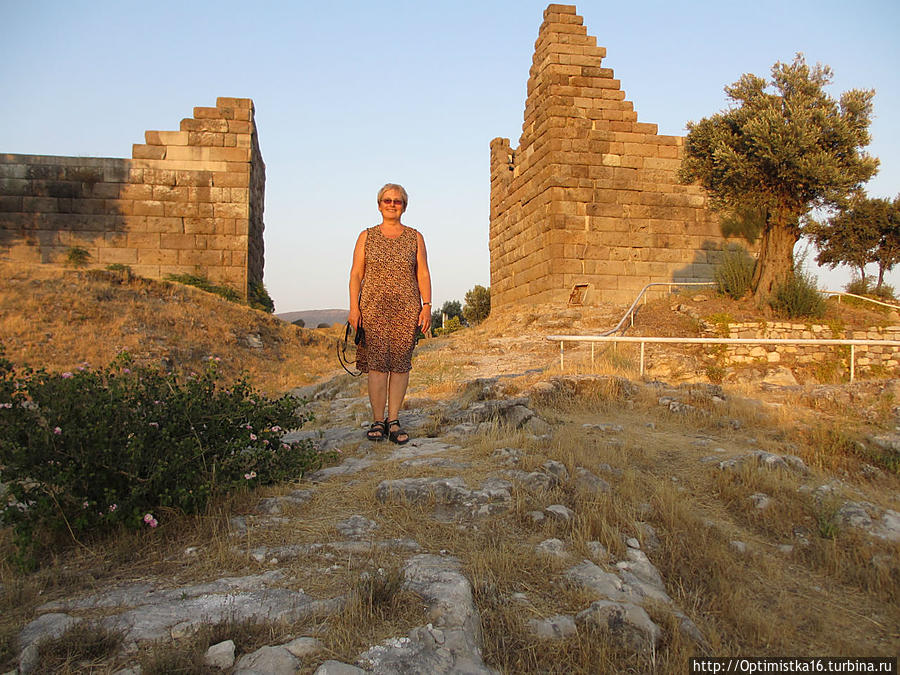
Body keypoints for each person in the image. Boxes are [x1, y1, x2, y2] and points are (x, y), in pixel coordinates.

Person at [348, 183, 432, 444]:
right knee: (376, 366)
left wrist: (427, 306)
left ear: (404, 206)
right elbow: (356, 274)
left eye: (397, 201)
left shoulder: (415, 237)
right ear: (379, 204)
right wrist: (353, 307)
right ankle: (377, 420)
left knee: (399, 365)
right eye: (387, 200)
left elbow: (423, 273)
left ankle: (393, 420)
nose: (392, 204)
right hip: (372, 308)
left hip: (407, 309)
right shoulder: (367, 236)